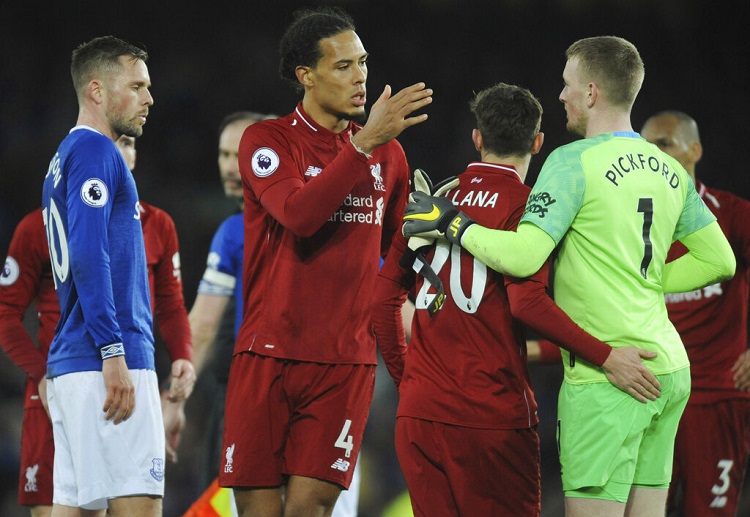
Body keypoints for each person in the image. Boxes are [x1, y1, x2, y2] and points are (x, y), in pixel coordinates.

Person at [402, 36, 736, 516]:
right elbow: (719, 261)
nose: (561, 96)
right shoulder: (669, 169)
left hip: (610, 377)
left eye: (567, 85)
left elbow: (522, 256)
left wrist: (453, 223)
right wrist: (643, 281)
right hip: (669, 368)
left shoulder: (570, 161)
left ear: (593, 93)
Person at [374, 82, 664, 516]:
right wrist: (606, 356)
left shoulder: (433, 202)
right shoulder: (533, 211)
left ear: (477, 138)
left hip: (422, 414)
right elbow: (527, 304)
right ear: (538, 143)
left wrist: (409, 383)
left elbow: (381, 301)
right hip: (492, 417)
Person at [218, 6, 431, 516]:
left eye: (362, 62)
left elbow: (397, 253)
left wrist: (434, 234)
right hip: (267, 355)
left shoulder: (389, 156)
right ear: (306, 76)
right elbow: (299, 214)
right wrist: (361, 147)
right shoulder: (268, 141)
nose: (360, 76)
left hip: (345, 363)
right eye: (343, 66)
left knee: (309, 512)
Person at [0, 134, 195, 516]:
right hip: (86, 370)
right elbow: (7, 313)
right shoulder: (39, 225)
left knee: (74, 506)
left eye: (128, 143)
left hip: (99, 371)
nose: (117, 152)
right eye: (110, 143)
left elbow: (170, 304)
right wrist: (40, 372)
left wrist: (182, 356)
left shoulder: (156, 225)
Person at [39, 35, 168, 516]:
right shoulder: (96, 152)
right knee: (140, 506)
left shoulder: (61, 158)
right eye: (136, 86)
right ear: (96, 90)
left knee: (75, 508)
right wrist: (114, 350)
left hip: (72, 364)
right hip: (110, 363)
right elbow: (91, 254)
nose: (149, 98)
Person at [641, 110, 750, 517]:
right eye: (644, 146)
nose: (651, 156)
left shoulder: (733, 215)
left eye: (663, 144)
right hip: (651, 400)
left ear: (694, 150)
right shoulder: (635, 224)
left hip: (716, 398)